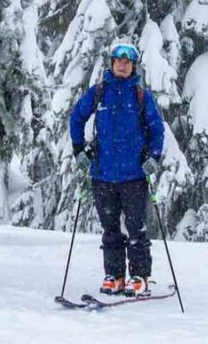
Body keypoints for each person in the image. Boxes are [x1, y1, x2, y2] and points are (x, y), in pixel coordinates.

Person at [68, 41, 167, 296]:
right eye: (118, 60)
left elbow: (157, 129)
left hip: (134, 175)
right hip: (102, 175)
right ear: (111, 63)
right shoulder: (99, 92)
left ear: (134, 66)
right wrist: (79, 149)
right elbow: (77, 117)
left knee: (136, 229)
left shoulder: (141, 95)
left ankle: (139, 276)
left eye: (127, 61)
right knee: (110, 229)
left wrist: (154, 157)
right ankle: (114, 275)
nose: (122, 64)